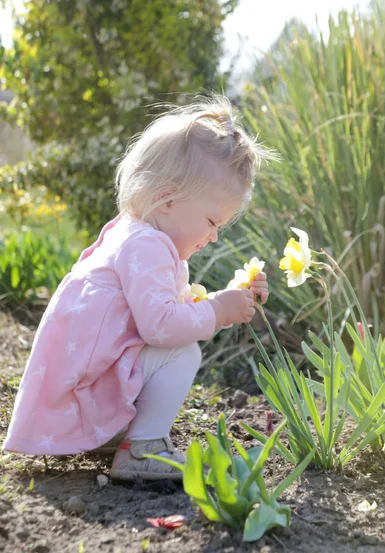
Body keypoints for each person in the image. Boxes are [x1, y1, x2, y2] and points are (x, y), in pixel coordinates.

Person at [2, 95, 271, 481]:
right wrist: (217, 311)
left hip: (75, 395)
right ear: (167, 199)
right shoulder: (146, 245)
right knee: (182, 355)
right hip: (81, 396)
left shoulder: (133, 235)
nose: (213, 237)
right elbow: (161, 327)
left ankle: (118, 436)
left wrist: (225, 300)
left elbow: (171, 314)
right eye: (212, 221)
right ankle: (142, 450)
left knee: (176, 347)